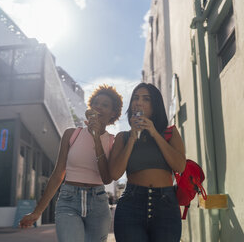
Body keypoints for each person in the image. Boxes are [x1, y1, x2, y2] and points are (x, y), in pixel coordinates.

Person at [20, 85, 123, 242]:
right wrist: (37, 212)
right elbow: (57, 174)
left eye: (105, 105)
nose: (98, 107)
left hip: (98, 203)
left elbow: (107, 178)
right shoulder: (71, 134)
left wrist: (96, 138)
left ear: (113, 113)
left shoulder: (112, 142)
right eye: (95, 102)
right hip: (69, 200)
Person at [109, 83, 186, 242]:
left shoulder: (170, 132)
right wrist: (132, 138)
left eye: (146, 99)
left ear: (155, 105)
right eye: (135, 98)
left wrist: (154, 133)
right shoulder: (122, 137)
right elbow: (115, 174)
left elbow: (180, 166)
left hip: (166, 205)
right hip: (131, 203)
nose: (139, 102)